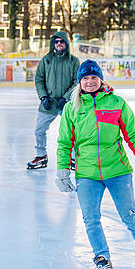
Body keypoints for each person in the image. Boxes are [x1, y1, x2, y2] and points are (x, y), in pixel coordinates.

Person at [55, 60, 135, 269]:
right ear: (80, 82)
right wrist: (62, 169)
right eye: (85, 78)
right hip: (87, 174)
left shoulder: (116, 103)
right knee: (90, 219)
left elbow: (133, 136)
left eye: (94, 77)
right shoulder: (72, 109)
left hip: (117, 171)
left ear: (101, 79)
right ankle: (104, 265)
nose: (90, 81)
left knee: (130, 216)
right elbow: (64, 142)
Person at [27, 31, 80, 170]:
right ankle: (41, 156)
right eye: (56, 42)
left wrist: (66, 97)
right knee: (39, 130)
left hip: (66, 103)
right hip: (48, 103)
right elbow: (39, 79)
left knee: (72, 131)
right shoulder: (46, 60)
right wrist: (43, 97)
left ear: (66, 44)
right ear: (53, 44)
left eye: (61, 41)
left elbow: (77, 81)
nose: (59, 44)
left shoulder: (74, 61)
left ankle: (74, 158)